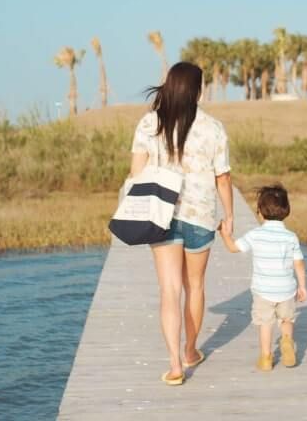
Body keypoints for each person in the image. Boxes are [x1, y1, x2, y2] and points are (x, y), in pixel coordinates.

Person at [130, 62, 233, 386]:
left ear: (170, 85)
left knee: (170, 290)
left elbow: (136, 173)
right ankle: (191, 350)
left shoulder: (150, 123)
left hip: (162, 215)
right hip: (201, 216)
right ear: (198, 90)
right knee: (196, 287)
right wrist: (229, 216)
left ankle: (175, 365)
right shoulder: (213, 127)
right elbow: (223, 177)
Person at [220, 184, 307, 371]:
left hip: (263, 291)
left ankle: (266, 357)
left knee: (265, 324)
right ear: (286, 210)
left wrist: (225, 235)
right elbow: (298, 263)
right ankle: (286, 342)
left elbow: (234, 248)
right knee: (287, 320)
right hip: (286, 289)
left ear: (259, 211)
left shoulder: (255, 235)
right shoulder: (290, 237)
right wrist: (302, 286)